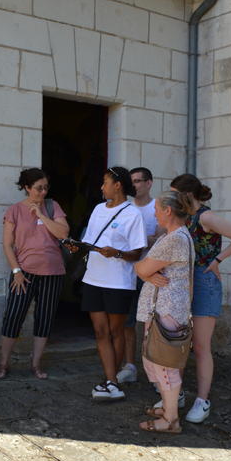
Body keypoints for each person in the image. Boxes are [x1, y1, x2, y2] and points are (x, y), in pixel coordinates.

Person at [168, 174, 231, 423]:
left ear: (187, 195)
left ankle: (202, 400)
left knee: (201, 345)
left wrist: (216, 261)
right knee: (179, 341)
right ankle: (176, 393)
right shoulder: (183, 217)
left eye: (175, 193)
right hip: (183, 282)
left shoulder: (205, 217)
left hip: (204, 283)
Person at [0, 168, 69, 380]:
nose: (42, 192)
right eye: (38, 188)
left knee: (44, 318)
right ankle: (3, 363)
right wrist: (16, 271)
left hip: (53, 272)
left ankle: (36, 365)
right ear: (27, 188)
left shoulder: (52, 207)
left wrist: (42, 215)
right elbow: (7, 244)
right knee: (13, 316)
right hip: (24, 273)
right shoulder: (15, 211)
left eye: (45, 188)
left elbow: (63, 233)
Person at [80, 167, 146, 401]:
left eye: (105, 182)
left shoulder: (132, 214)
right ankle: (110, 380)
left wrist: (117, 253)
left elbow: (137, 252)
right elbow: (88, 241)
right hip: (93, 278)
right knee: (100, 331)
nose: (101, 187)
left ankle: (112, 380)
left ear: (117, 184)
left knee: (115, 330)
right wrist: (76, 246)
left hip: (118, 281)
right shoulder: (98, 209)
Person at [135, 190, 196, 433]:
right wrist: (146, 271)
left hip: (166, 310)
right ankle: (167, 409)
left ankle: (171, 419)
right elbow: (144, 268)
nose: (154, 213)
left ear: (168, 211)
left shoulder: (174, 239)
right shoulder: (175, 236)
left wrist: (145, 271)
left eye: (157, 209)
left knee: (164, 364)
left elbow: (140, 267)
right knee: (156, 361)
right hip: (166, 308)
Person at [118, 167, 163, 384]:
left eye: (138, 181)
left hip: (152, 275)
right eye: (131, 181)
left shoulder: (159, 208)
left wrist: (148, 240)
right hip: (127, 273)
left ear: (149, 183)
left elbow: (165, 239)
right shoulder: (125, 208)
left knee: (153, 325)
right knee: (127, 323)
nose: (134, 185)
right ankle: (130, 366)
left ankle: (157, 374)